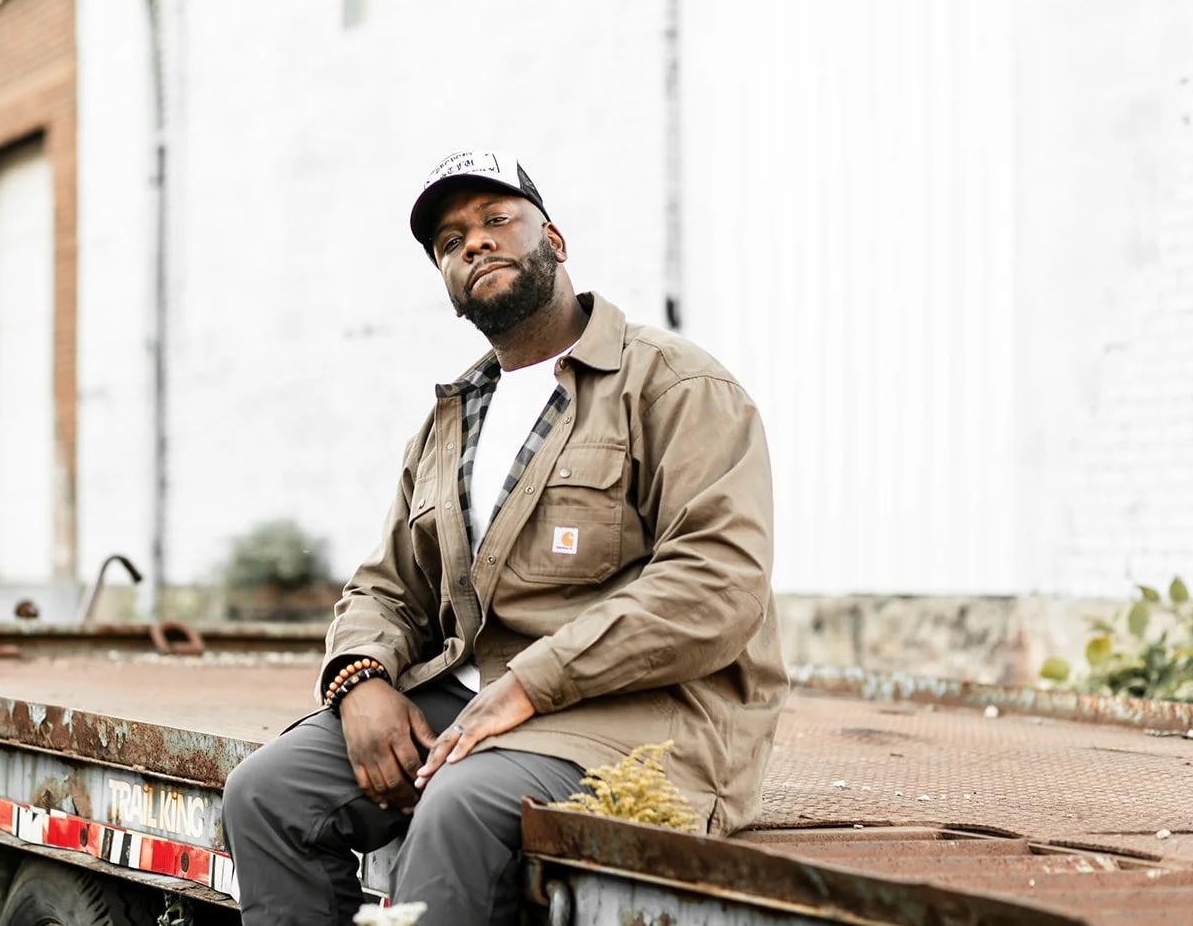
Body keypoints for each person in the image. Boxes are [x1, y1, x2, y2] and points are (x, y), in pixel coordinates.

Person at [222, 150, 787, 925]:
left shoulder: (675, 385)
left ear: (553, 239)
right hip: (472, 698)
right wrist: (360, 678)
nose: (475, 244)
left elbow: (716, 585)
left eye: (496, 219)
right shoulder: (451, 419)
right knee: (265, 794)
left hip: (636, 713)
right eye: (450, 242)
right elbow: (387, 585)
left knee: (459, 805)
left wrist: (528, 684)